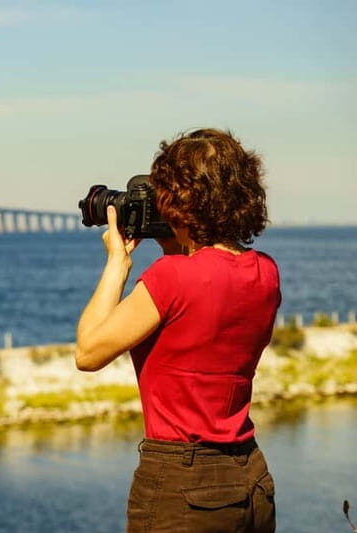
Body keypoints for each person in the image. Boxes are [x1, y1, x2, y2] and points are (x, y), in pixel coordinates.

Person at [75, 128, 280, 533]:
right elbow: (204, 303)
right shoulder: (265, 271)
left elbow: (88, 352)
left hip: (183, 483)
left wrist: (117, 263)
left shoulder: (171, 277)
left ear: (181, 200)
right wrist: (177, 240)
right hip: (250, 475)